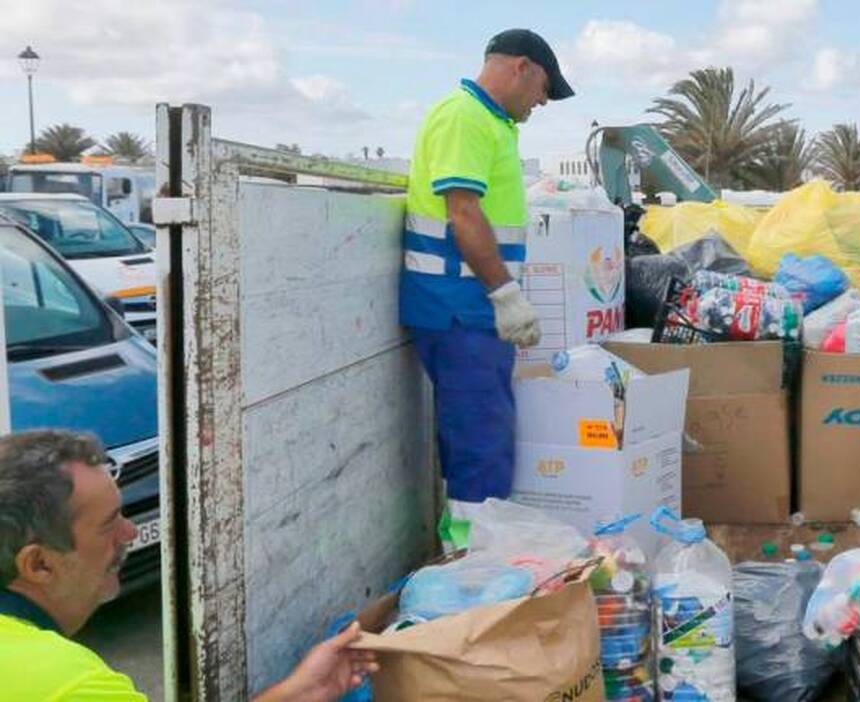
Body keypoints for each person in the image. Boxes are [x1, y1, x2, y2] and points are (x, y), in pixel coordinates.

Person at [0, 430, 378, 701]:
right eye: (108, 524)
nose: (129, 533)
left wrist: (306, 689)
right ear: (39, 564)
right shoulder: (69, 685)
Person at [400, 29, 574, 548]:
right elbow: (463, 211)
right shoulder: (465, 116)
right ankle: (475, 559)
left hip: (469, 311)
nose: (543, 101)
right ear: (521, 67)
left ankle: (475, 544)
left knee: (482, 435)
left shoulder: (490, 122)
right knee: (480, 440)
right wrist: (505, 295)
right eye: (545, 87)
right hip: (459, 309)